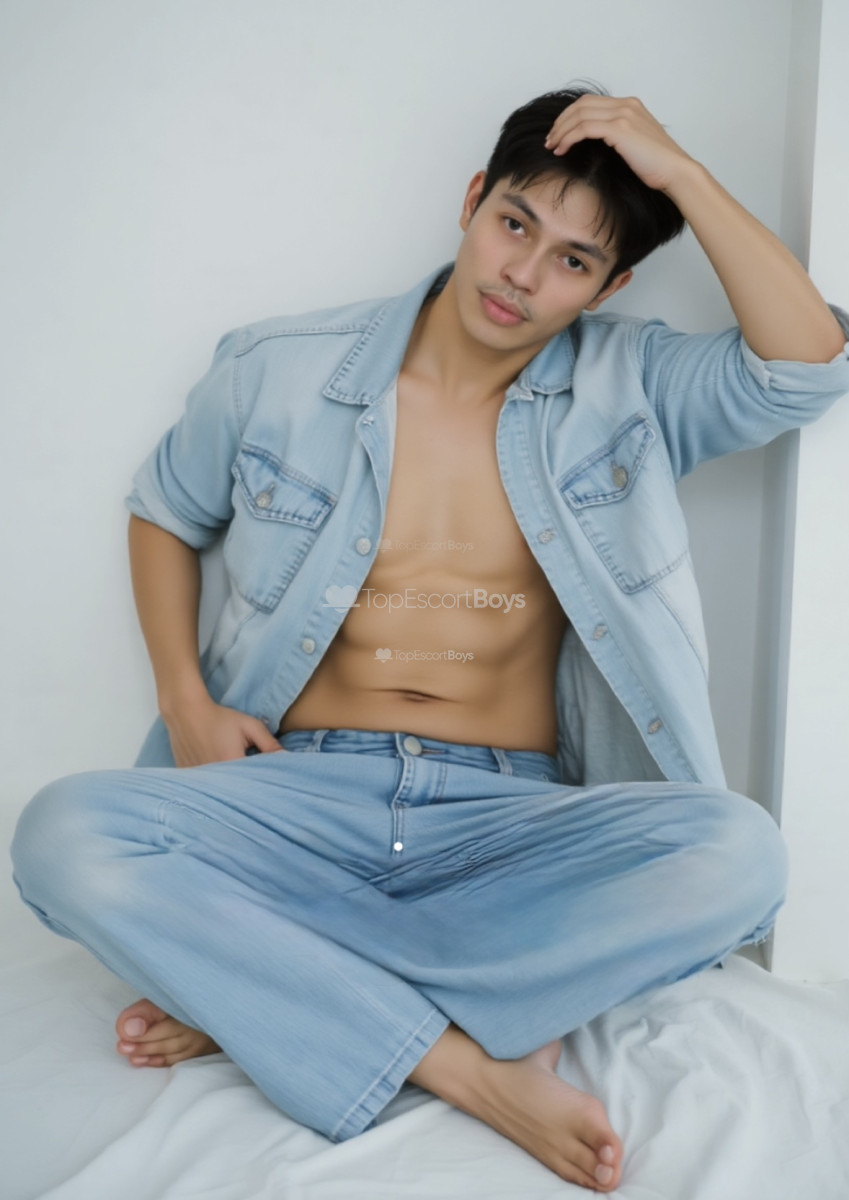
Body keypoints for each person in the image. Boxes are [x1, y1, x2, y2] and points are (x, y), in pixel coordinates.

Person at [11, 85, 849, 1193]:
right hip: (296, 792)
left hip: (509, 818)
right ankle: (469, 1063)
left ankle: (278, 995)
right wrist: (185, 703)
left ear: (609, 286)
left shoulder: (635, 386)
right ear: (471, 200)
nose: (522, 274)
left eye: (572, 260)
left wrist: (681, 172)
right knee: (62, 834)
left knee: (741, 854)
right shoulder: (278, 366)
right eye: (513, 223)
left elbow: (807, 364)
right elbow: (165, 510)